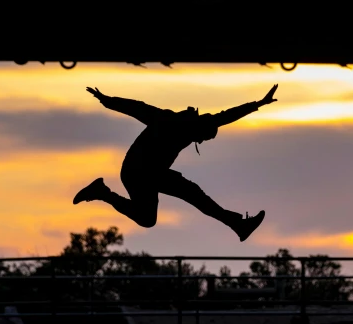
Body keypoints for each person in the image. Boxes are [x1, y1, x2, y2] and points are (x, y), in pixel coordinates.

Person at [73, 84, 279, 241]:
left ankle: (101, 192)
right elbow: (139, 108)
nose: (197, 141)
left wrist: (259, 104)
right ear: (199, 129)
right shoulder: (169, 121)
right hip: (138, 172)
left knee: (148, 219)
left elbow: (225, 117)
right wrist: (108, 100)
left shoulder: (191, 126)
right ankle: (237, 224)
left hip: (148, 174)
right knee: (194, 195)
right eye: (201, 138)